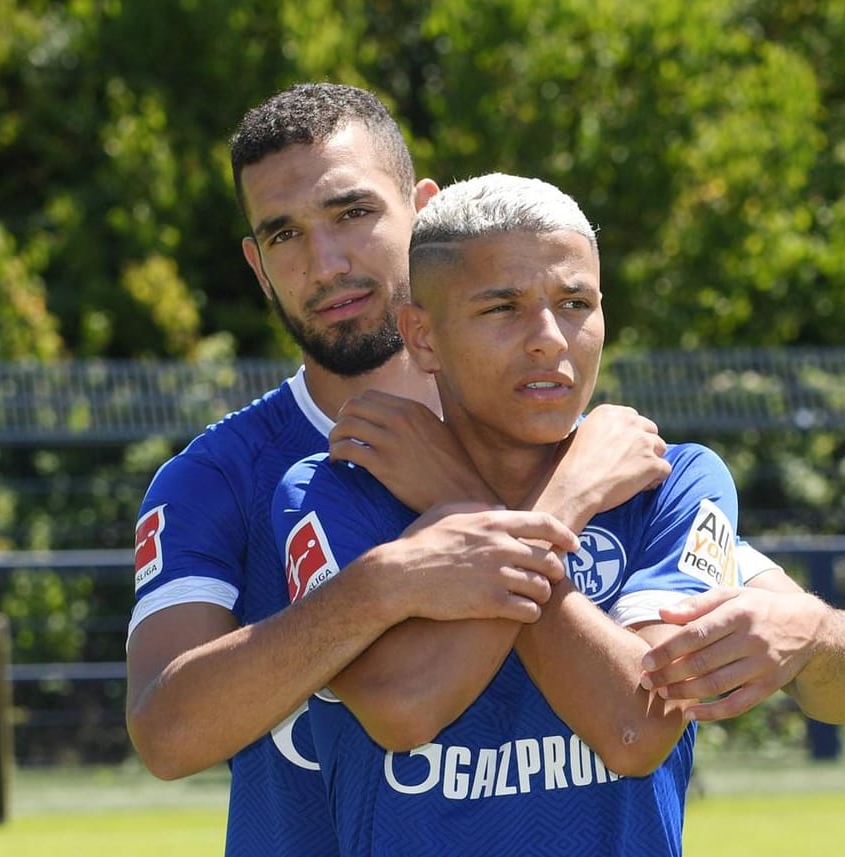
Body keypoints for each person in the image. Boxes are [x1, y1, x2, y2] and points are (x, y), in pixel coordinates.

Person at [124, 84, 672, 856]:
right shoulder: (215, 477)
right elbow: (167, 733)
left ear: (422, 208)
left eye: (352, 213)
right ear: (255, 263)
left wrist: (817, 628)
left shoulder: (570, 442)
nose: (326, 263)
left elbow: (779, 635)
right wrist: (380, 588)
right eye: (283, 235)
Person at [273, 173, 745, 854]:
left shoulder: (670, 480)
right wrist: (565, 502)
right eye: (503, 307)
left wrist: (460, 503)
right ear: (423, 337)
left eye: (575, 301)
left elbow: (635, 730)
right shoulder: (334, 488)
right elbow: (402, 706)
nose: (549, 338)